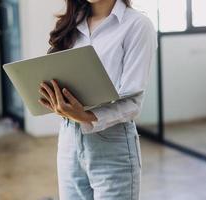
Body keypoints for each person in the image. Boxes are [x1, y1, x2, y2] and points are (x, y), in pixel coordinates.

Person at [38, 0, 158, 199]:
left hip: (112, 142)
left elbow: (133, 103)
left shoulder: (137, 25)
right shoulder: (71, 25)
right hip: (69, 139)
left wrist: (87, 115)